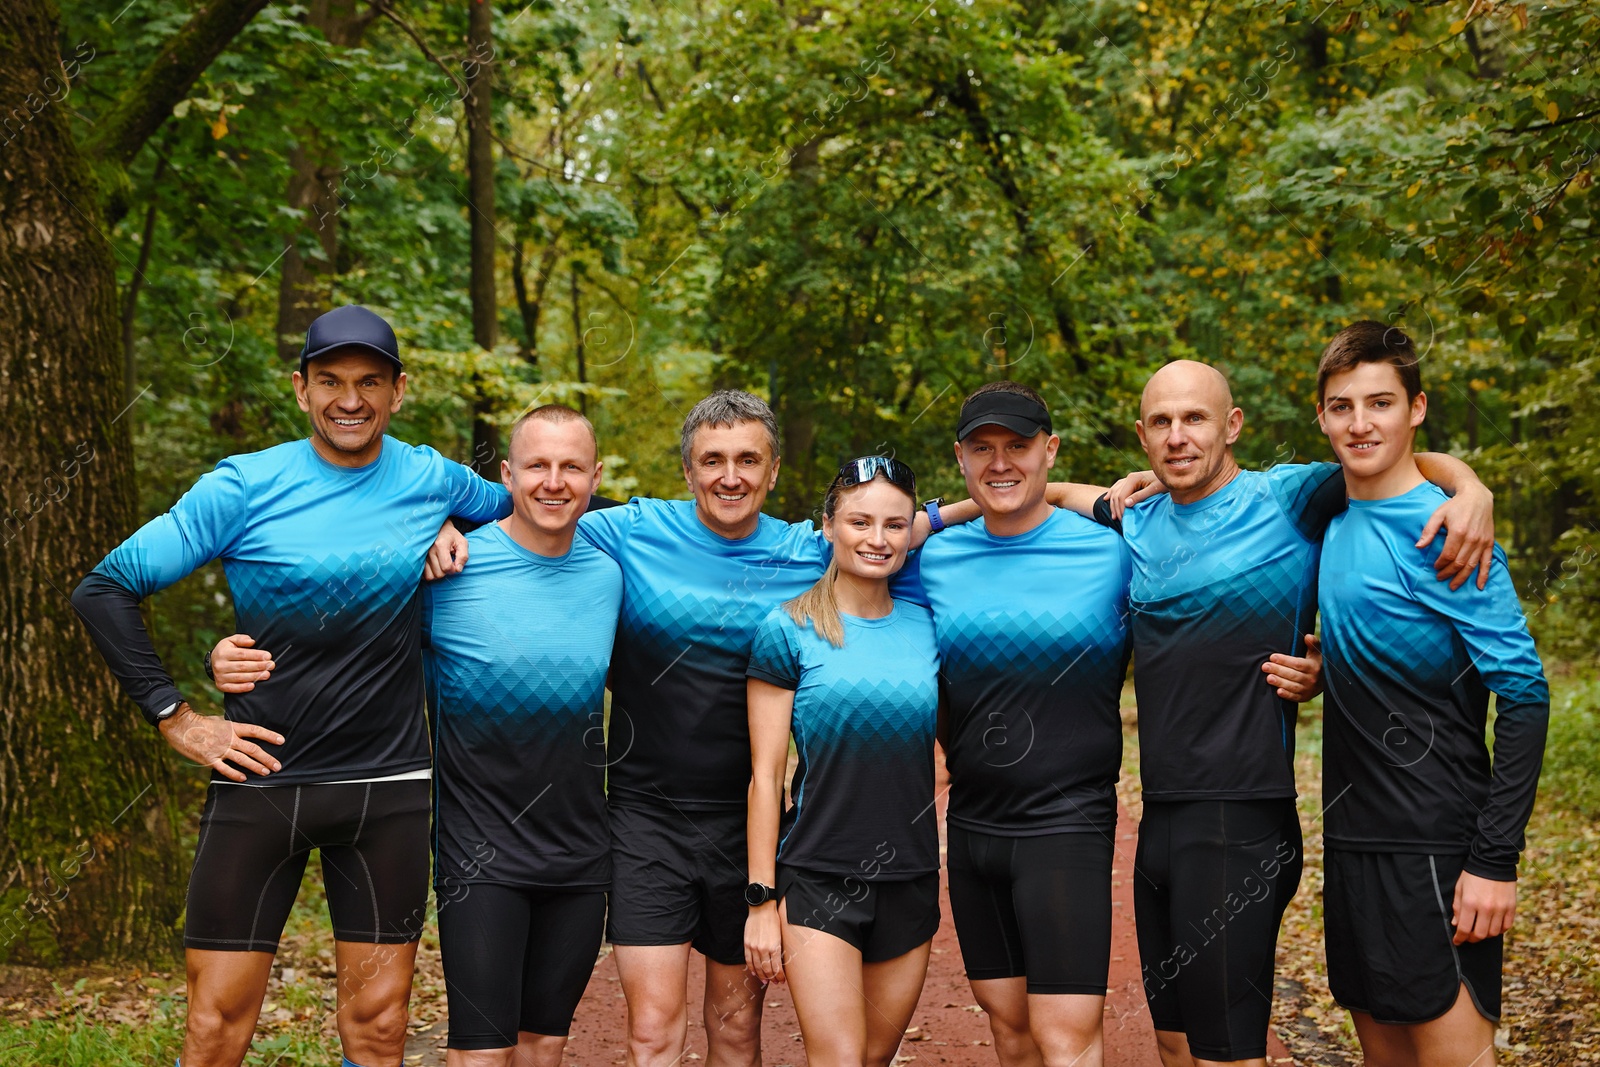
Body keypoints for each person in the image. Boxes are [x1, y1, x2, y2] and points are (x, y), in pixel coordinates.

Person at [421, 390, 974, 1067]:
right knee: (654, 1028)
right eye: (712, 459)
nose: (730, 475)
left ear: (772, 472)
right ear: (687, 470)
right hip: (642, 820)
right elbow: (537, 504)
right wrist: (440, 518)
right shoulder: (628, 530)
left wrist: (1027, 495)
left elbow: (898, 524)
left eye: (748, 459)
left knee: (735, 1030)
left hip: (750, 829)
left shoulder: (814, 548)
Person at [70, 305, 512, 1067]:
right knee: (215, 1028)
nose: (351, 399)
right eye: (331, 380)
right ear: (300, 388)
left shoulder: (433, 477)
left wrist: (459, 526)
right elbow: (105, 589)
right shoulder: (243, 486)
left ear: (399, 390)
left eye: (370, 381)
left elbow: (530, 518)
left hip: (389, 787)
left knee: (377, 1028)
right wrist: (177, 716)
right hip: (262, 783)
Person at [1079, 359, 1496, 1067]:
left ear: (1233, 424)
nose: (1179, 436)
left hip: (1240, 819)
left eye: (1196, 418)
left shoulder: (1287, 498)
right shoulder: (1141, 517)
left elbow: (1388, 458)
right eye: (1162, 422)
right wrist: (938, 515)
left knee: (1228, 1055)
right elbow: (1047, 491)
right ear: (1143, 437)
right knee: (1175, 1047)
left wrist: (1470, 486)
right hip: (1162, 824)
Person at [1313, 323, 1547, 1067]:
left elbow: (1526, 696)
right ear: (1321, 416)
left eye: (1379, 402)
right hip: (1350, 845)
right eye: (1341, 405)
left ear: (1416, 407)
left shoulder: (1452, 534)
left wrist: (1495, 860)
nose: (1360, 422)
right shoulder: (1325, 514)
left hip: (1438, 849)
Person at [916, 382, 1134, 1067]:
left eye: (1018, 447)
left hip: (1066, 823)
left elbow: (1196, 509)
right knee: (1009, 1030)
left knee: (1066, 1040)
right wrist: (940, 515)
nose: (999, 463)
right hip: (975, 825)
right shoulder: (930, 558)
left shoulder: (1114, 549)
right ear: (959, 457)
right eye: (982, 449)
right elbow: (852, 535)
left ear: (1051, 449)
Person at [420, 405, 622, 1066]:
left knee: (543, 1048)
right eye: (537, 465)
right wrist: (231, 659)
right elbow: (350, 645)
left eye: (571, 467)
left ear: (595, 478)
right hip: (480, 856)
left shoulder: (610, 573)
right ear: (508, 473)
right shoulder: (448, 567)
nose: (554, 481)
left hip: (580, 855)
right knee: (480, 1053)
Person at [744, 456, 941, 1067]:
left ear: (912, 532)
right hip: (819, 876)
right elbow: (765, 776)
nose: (877, 539)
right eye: (859, 521)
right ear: (828, 525)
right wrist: (760, 902)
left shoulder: (929, 626)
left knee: (874, 1059)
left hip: (911, 878)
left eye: (894, 525)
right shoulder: (789, 628)